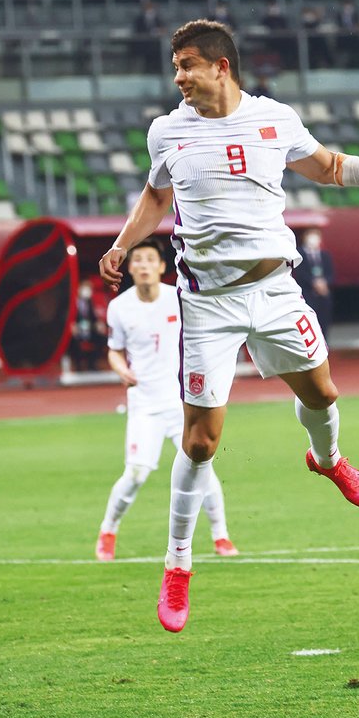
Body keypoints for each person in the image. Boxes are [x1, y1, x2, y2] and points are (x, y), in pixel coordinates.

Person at [98, 19, 359, 633]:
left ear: (220, 67)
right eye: (175, 67)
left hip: (276, 291)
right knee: (200, 442)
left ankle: (328, 459)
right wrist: (123, 245)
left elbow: (330, 167)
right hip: (207, 304)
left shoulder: (273, 118)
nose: (179, 78)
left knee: (324, 394)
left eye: (188, 66)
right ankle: (178, 564)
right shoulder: (165, 131)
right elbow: (156, 198)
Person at [96, 239, 237, 562]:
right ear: (130, 268)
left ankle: (221, 536)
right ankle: (108, 530)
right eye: (138, 260)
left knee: (203, 469)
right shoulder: (120, 307)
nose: (144, 265)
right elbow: (114, 350)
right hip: (144, 404)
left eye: (150, 260)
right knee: (136, 474)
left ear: (162, 266)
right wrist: (122, 369)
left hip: (180, 402)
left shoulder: (179, 297)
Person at [292, 228, 335, 340]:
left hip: (323, 295)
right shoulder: (299, 253)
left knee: (324, 322)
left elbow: (331, 273)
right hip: (307, 294)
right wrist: (314, 283)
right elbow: (299, 272)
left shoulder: (325, 255)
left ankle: (324, 344)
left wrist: (324, 283)